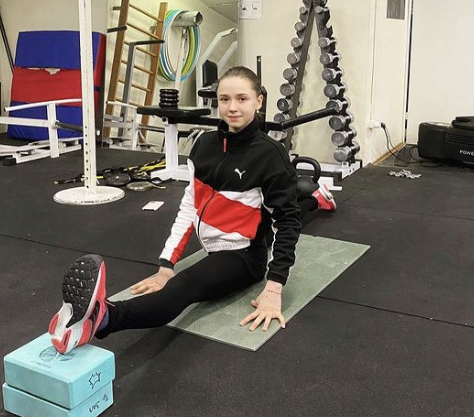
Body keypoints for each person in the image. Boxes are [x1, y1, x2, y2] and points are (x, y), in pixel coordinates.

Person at [49, 66, 335, 354]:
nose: (232, 107)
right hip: (220, 239)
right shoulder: (204, 145)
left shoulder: (270, 154)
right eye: (224, 99)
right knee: (272, 216)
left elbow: (286, 222)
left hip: (244, 255)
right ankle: (315, 198)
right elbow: (190, 205)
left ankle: (103, 319)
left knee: (185, 286)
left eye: (242, 99)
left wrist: (274, 287)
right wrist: (166, 265)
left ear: (258, 101)